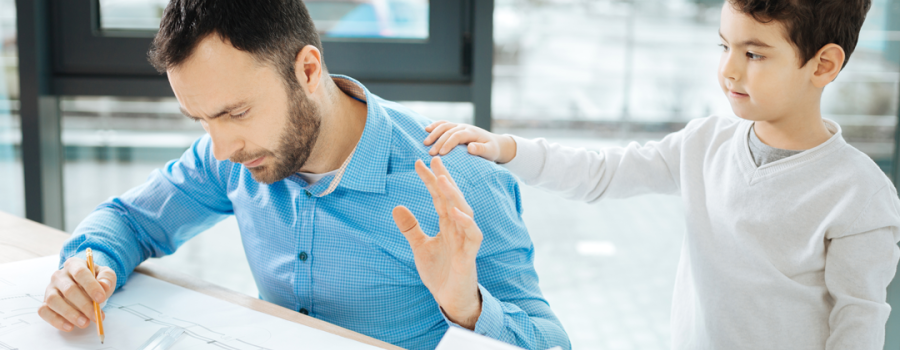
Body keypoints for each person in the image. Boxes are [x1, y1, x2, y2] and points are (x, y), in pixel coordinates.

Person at [36, 1, 570, 349]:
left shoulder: (455, 178)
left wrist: (468, 308)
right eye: (202, 119)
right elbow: (130, 221)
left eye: (236, 112)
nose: (220, 147)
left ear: (308, 70)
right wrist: (87, 266)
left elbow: (550, 342)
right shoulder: (234, 155)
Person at [421, 0, 900, 348]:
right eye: (724, 45)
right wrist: (508, 149)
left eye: (753, 54)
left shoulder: (859, 195)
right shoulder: (703, 144)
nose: (729, 70)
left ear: (824, 64)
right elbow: (603, 172)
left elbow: (858, 323)